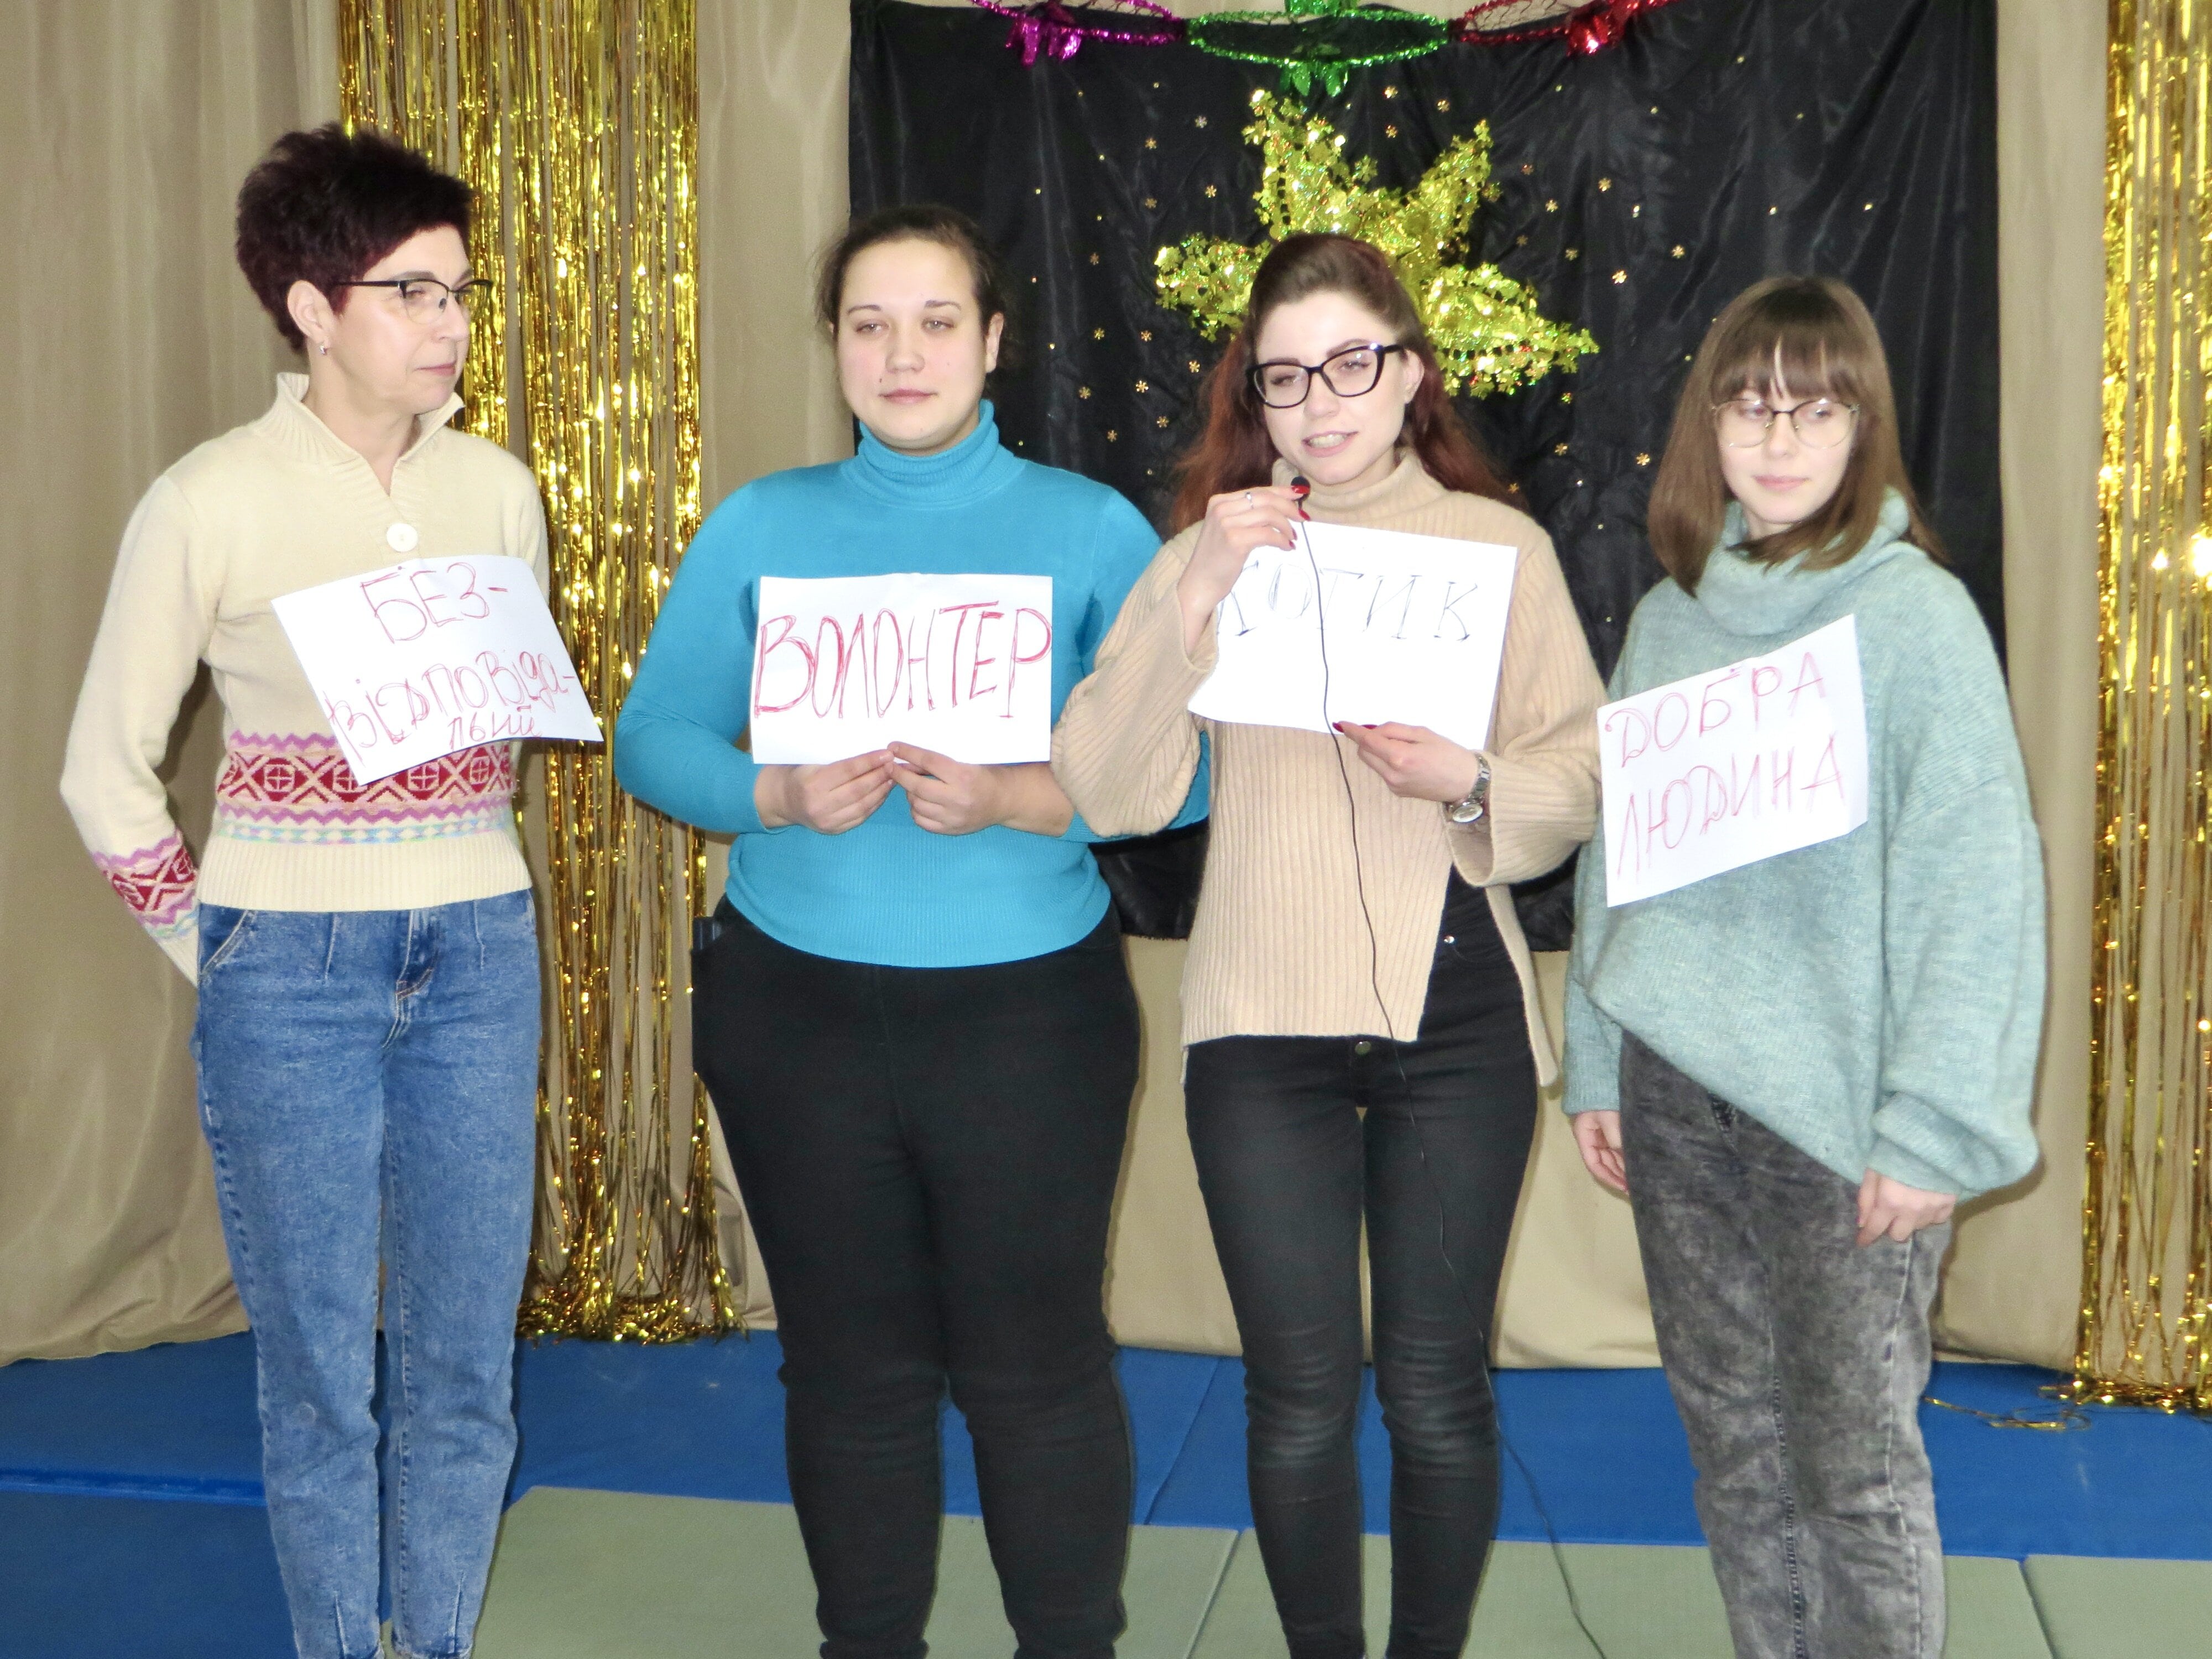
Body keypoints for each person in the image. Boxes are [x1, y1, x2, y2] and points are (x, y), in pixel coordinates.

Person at [613, 204, 1199, 1659]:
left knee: (1035, 1370)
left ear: (993, 343)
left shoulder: (1090, 529)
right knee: (850, 1374)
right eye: (868, 324)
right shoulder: (762, 524)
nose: (902, 354)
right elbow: (651, 738)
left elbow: (1183, 774)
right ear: (834, 346)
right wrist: (770, 792)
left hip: (1028, 1019)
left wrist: (1022, 796)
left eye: (937, 322)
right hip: (794, 1014)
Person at [1052, 232, 1603, 1659]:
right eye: (1284, 376)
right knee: (1294, 1396)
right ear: (1256, 393)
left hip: (1456, 1015)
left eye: (1350, 365)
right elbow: (1103, 790)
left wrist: (1470, 781)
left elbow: (1583, 772)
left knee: (1435, 1390)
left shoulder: (1500, 550)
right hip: (1258, 1022)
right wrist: (1191, 602)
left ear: (1410, 372)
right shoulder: (1207, 552)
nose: (1319, 402)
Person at [60, 126, 548, 1659]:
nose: (450, 322)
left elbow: (500, 737)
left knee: (466, 1360)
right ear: (312, 307)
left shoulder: (499, 489)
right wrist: (220, 947)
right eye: (414, 293)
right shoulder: (206, 499)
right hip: (286, 962)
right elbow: (101, 771)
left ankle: (438, 1638)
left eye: (460, 292)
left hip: (482, 945)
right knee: (321, 1372)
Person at [1562, 275, 2044, 1659]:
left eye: (1814, 409)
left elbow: (1975, 888)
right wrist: (1596, 1057)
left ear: (1861, 429)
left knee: (1853, 1470)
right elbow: (1619, 854)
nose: (1777, 440)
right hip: (1674, 1097)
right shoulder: (1671, 618)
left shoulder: (1913, 621)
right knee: (1733, 1450)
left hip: (1840, 1123)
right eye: (1748, 405)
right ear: (1705, 425)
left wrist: (1934, 1127)